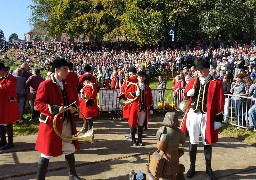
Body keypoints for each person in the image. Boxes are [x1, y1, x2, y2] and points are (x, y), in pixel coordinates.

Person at [34, 58, 81, 179]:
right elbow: (38, 103)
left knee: (69, 148)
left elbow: (74, 101)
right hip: (51, 124)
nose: (67, 71)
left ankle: (73, 175)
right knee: (46, 152)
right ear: (56, 70)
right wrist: (55, 109)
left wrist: (73, 108)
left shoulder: (68, 85)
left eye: (67, 69)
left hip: (66, 122)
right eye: (65, 69)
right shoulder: (46, 84)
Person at [181, 57, 224, 180]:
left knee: (207, 141)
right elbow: (185, 95)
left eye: (201, 69)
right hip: (193, 114)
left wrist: (218, 119)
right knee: (193, 141)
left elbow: (220, 102)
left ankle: (208, 168)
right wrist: (188, 93)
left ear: (207, 69)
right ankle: (192, 167)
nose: (199, 71)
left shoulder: (216, 83)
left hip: (207, 115)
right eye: (198, 69)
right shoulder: (193, 81)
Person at [125, 71, 153, 146]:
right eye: (140, 76)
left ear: (144, 78)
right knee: (133, 124)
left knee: (141, 125)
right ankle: (133, 139)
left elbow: (150, 99)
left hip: (143, 109)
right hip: (135, 108)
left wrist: (151, 108)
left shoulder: (148, 88)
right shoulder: (133, 86)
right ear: (137, 77)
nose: (141, 78)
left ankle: (140, 139)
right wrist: (134, 93)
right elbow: (126, 94)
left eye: (142, 76)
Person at [155, 112, 185, 180]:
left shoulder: (166, 132)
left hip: (166, 157)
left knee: (166, 174)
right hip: (175, 155)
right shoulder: (179, 132)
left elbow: (161, 147)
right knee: (174, 172)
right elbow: (183, 141)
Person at [0, 63, 19, 150]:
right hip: (2, 104)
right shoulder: (3, 78)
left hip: (7, 104)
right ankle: (3, 140)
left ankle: (10, 142)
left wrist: (0, 86)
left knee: (8, 123)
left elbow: (8, 88)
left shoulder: (11, 78)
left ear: (3, 70)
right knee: (1, 123)